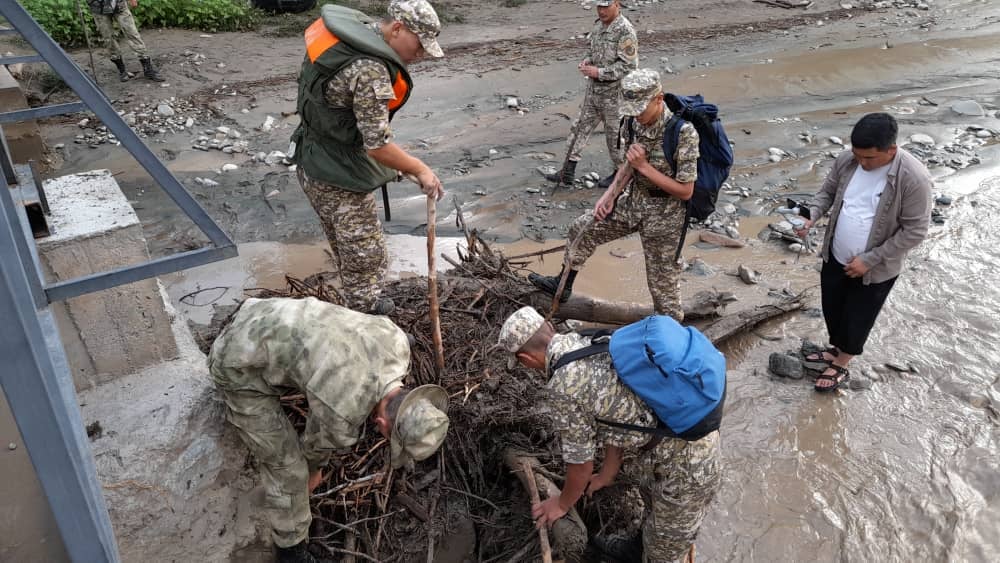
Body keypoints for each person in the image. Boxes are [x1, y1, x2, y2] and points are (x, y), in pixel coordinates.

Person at [209, 297, 450, 563]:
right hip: (235, 361)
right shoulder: (343, 414)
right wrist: (313, 472)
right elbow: (312, 450)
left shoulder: (397, 340)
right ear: (382, 425)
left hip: (259, 309)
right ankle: (290, 550)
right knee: (289, 470)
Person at [497, 306, 721, 562]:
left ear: (526, 359)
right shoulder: (587, 340)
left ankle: (653, 552)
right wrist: (607, 474)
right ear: (548, 326)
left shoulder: (563, 386)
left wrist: (560, 504)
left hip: (686, 468)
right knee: (653, 515)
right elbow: (615, 418)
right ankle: (637, 549)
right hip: (674, 443)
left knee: (664, 554)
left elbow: (580, 467)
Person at [289, 0, 446, 316]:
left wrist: (400, 169)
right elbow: (377, 146)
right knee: (367, 260)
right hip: (337, 177)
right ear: (397, 28)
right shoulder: (371, 69)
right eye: (419, 45)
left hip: (311, 157)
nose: (420, 55)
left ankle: (356, 306)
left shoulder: (350, 34)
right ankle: (365, 322)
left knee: (346, 249)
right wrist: (420, 169)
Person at [531, 69, 698, 321]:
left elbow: (686, 191)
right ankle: (563, 286)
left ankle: (672, 333)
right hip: (633, 202)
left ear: (659, 99)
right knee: (583, 228)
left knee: (662, 287)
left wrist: (644, 167)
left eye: (641, 109)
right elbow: (628, 165)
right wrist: (609, 196)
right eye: (632, 110)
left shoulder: (683, 133)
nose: (636, 115)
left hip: (666, 215)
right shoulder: (632, 121)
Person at [797, 112, 932, 392]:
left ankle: (842, 362)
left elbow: (915, 231)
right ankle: (835, 349)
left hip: (875, 267)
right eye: (857, 155)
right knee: (833, 305)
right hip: (835, 252)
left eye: (869, 158)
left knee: (859, 314)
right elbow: (827, 192)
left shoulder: (913, 178)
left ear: (891, 149)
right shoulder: (848, 160)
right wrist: (811, 215)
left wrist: (870, 260)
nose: (861, 162)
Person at [544, 0, 637, 188]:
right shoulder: (598, 26)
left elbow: (629, 66)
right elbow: (592, 51)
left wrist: (599, 72)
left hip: (615, 95)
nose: (601, 11)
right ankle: (567, 171)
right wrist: (587, 61)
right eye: (599, 6)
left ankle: (620, 175)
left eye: (606, 6)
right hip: (593, 93)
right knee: (578, 129)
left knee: (615, 138)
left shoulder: (625, 30)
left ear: (616, 4)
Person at [88, 0, 164, 82]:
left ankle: (148, 69)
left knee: (132, 34)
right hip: (98, 8)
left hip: (119, 4)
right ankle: (122, 71)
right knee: (108, 39)